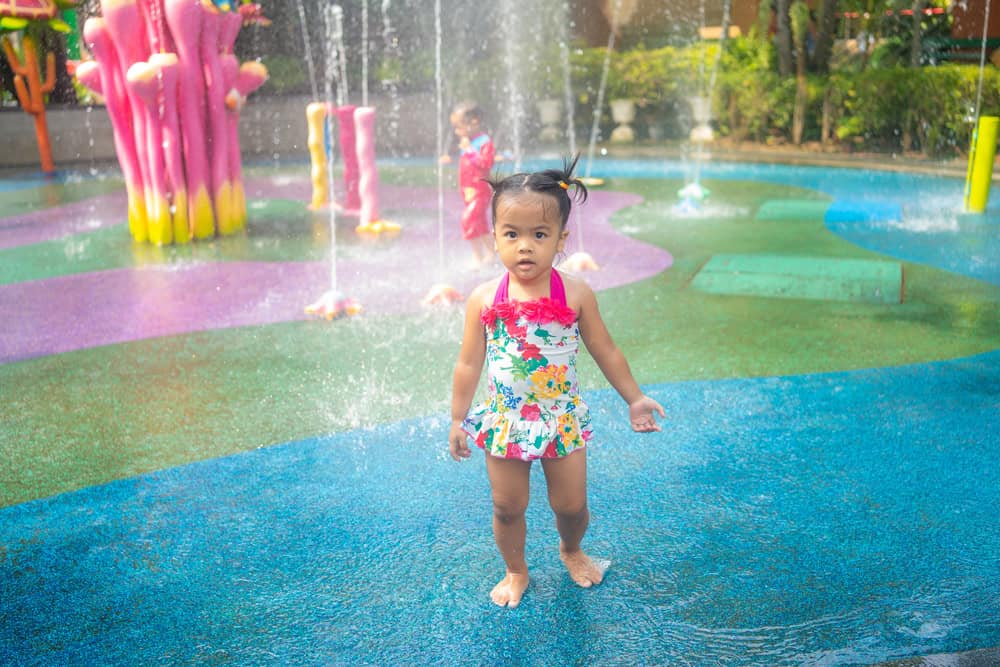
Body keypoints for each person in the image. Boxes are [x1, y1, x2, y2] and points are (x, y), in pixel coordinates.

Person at [448, 156, 665, 608]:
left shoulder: (576, 293)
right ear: (495, 237)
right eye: (512, 234)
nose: (525, 247)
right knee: (507, 506)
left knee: (570, 505)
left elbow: (606, 350)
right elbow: (469, 363)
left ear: (562, 240)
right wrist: (457, 418)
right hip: (506, 420)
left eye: (540, 235)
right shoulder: (484, 298)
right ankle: (516, 569)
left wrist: (635, 398)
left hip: (560, 419)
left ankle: (571, 548)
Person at [440, 101, 496, 266]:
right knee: (479, 223)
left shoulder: (484, 142)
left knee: (468, 220)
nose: (457, 131)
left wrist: (470, 150)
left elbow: (486, 163)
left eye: (459, 127)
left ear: (474, 122)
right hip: (468, 190)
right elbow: (468, 165)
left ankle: (478, 258)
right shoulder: (469, 141)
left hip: (480, 190)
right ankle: (491, 255)